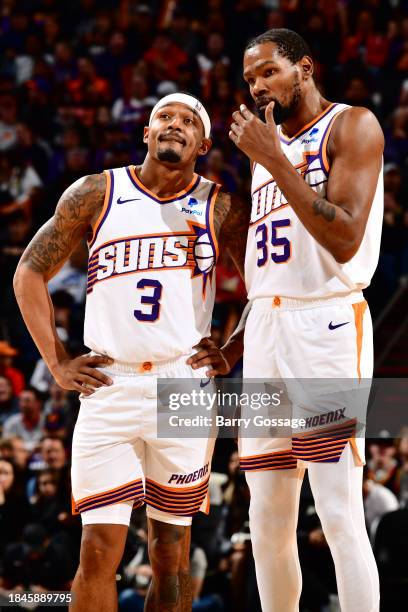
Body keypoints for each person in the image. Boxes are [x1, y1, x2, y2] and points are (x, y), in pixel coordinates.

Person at [13, 92, 249, 612]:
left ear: (203, 144)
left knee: (172, 557)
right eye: (164, 116)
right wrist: (56, 361)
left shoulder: (222, 206)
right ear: (146, 131)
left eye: (189, 121)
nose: (174, 124)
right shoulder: (97, 192)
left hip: (182, 386)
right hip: (110, 382)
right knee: (98, 553)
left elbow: (270, 288)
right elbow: (28, 271)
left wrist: (232, 351)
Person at [190, 28, 384, 612]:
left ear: (304, 67)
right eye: (249, 80)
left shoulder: (353, 125)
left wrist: (273, 158)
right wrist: (235, 348)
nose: (258, 88)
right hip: (270, 331)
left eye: (268, 72)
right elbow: (271, 280)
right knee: (266, 516)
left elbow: (344, 237)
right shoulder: (267, 151)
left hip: (326, 325)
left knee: (337, 509)